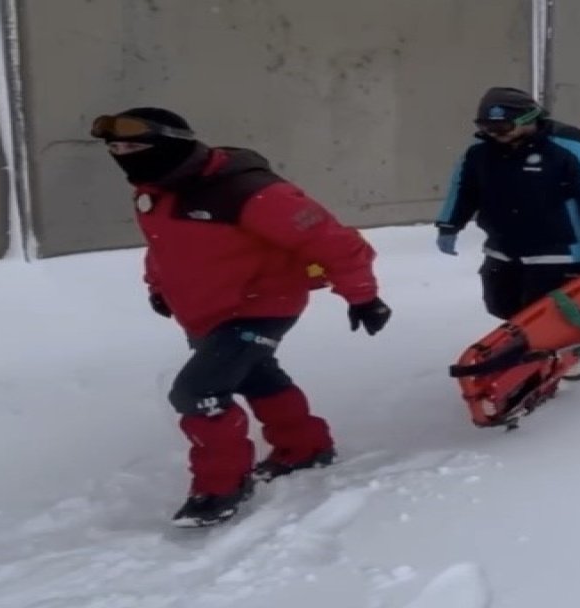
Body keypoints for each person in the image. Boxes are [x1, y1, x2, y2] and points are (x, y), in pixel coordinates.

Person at [92, 107, 391, 527]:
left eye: (133, 146)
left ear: (170, 144)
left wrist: (363, 297)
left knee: (198, 392)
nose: (122, 155)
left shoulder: (249, 192)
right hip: (207, 310)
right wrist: (157, 287)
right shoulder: (156, 189)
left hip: (261, 305)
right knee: (257, 374)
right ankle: (305, 447)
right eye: (115, 148)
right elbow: (164, 246)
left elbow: (334, 243)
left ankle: (221, 487)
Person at [435, 87, 580, 320]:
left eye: (502, 126)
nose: (493, 133)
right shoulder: (479, 153)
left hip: (557, 255)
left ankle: (550, 352)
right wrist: (449, 226)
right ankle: (521, 352)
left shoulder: (571, 151)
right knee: (501, 308)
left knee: (541, 319)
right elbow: (462, 190)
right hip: (502, 250)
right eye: (486, 126)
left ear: (528, 119)